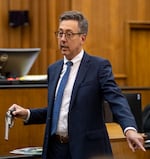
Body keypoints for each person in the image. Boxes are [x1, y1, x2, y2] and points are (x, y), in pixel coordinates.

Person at [9, 10, 146, 159]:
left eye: (68, 34)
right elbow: (59, 110)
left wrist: (130, 129)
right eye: (60, 33)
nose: (62, 39)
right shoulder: (53, 69)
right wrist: (28, 114)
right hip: (56, 150)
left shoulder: (98, 67)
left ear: (82, 38)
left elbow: (117, 100)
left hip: (86, 150)